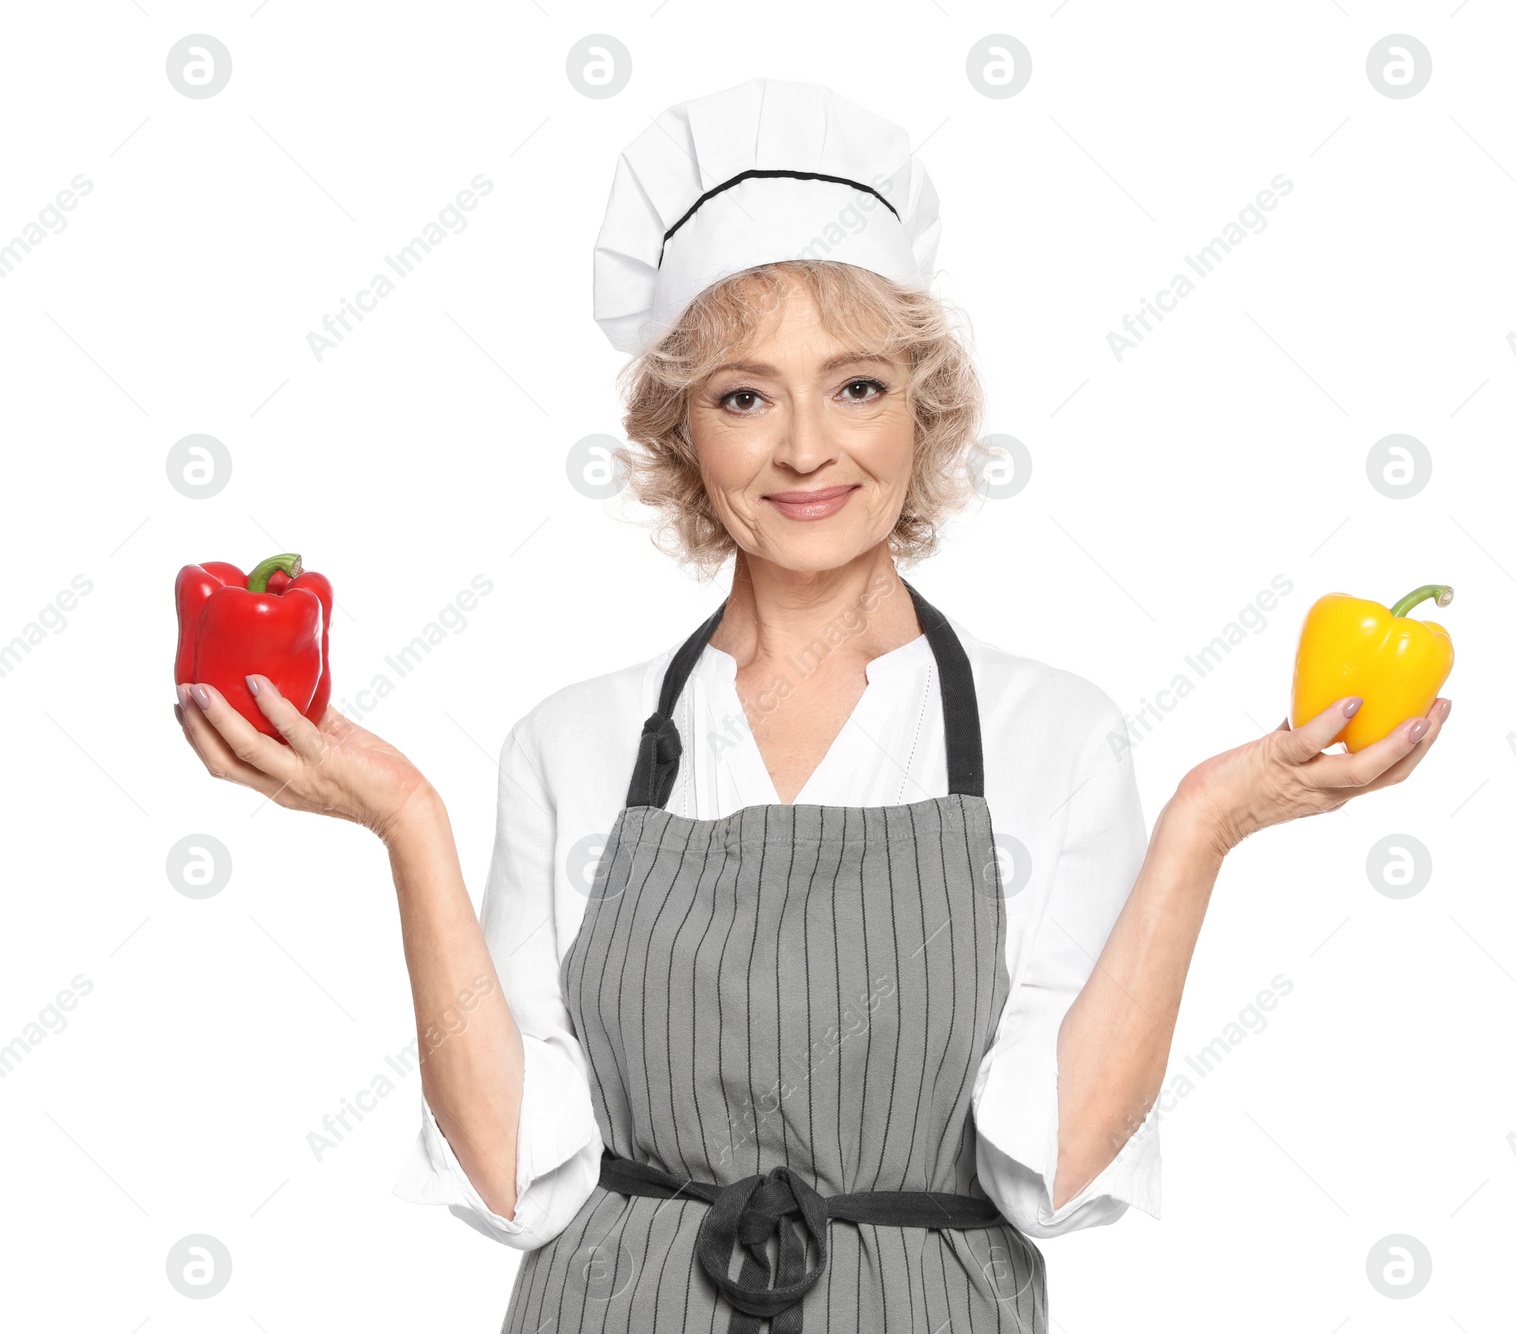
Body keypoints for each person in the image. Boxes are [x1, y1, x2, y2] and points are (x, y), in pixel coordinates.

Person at [173, 78, 1449, 1333]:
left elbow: (1051, 1178)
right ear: (681, 433)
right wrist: (405, 821)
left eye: (856, 386)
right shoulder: (572, 744)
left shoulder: (1051, 735)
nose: (803, 450)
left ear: (922, 412)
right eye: (742, 395)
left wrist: (1202, 825)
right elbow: (514, 1178)